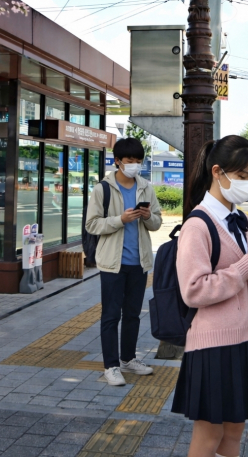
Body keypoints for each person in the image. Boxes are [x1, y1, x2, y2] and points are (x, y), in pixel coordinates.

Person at [171, 135, 248, 457]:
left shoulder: (243, 221)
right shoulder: (198, 225)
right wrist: (246, 268)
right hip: (213, 344)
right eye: (242, 176)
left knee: (234, 433)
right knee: (210, 435)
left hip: (245, 339)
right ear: (217, 172)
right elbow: (193, 290)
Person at [85, 137, 162, 386]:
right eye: (130, 160)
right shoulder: (103, 189)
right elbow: (92, 224)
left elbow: (157, 223)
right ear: (117, 161)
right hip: (112, 264)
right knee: (110, 315)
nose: (135, 165)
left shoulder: (146, 188)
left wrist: (148, 216)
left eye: (138, 161)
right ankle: (111, 366)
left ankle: (128, 359)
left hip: (139, 263)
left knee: (132, 315)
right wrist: (121, 219)